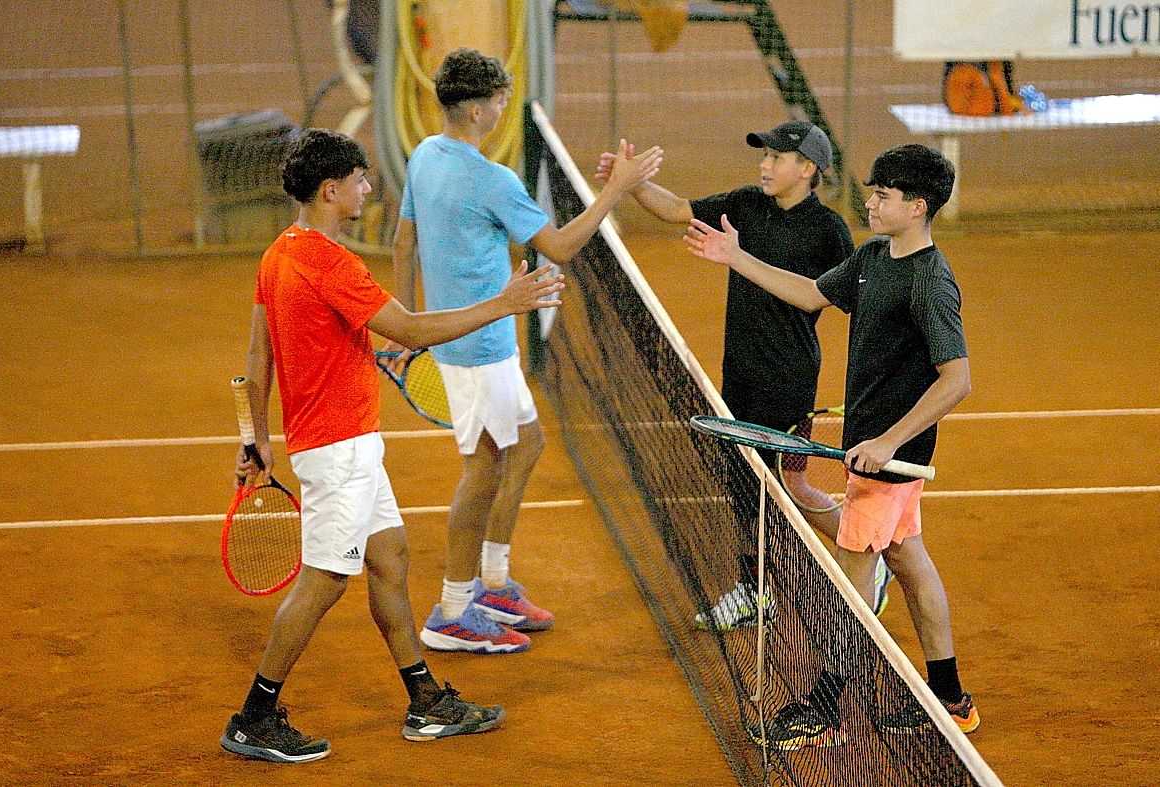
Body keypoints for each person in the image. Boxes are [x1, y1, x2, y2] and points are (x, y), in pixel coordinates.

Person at [220, 128, 566, 763]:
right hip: (338, 449)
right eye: (359, 179)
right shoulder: (332, 263)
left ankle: (425, 701)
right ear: (331, 190)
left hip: (344, 444)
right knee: (325, 580)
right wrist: (506, 302)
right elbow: (407, 327)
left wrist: (254, 434)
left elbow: (256, 355)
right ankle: (255, 716)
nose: (368, 189)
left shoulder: (279, 254)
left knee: (390, 558)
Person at [684, 143, 979, 746]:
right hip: (877, 449)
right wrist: (737, 257)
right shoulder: (874, 258)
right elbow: (812, 293)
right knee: (908, 561)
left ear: (918, 206)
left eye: (883, 196)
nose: (869, 202)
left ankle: (822, 704)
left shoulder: (928, 281)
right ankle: (951, 699)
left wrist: (887, 441)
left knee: (847, 585)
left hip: (891, 456)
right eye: (871, 192)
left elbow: (958, 379)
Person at [388, 47, 662, 654]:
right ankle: (453, 610)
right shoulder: (493, 180)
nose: (505, 107)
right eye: (501, 98)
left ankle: (490, 583)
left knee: (527, 443)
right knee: (483, 468)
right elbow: (561, 247)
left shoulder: (425, 157)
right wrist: (616, 189)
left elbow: (403, 240)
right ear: (483, 108)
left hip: (471, 340)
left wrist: (406, 323)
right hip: (481, 345)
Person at [595, 121, 894, 630]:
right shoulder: (747, 205)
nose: (765, 164)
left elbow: (847, 298)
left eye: (777, 158)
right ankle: (762, 585)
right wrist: (632, 184)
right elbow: (676, 210)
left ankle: (852, 556)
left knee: (782, 486)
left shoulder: (828, 231)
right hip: (740, 369)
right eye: (765, 155)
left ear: (807, 169)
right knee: (746, 485)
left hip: (788, 375)